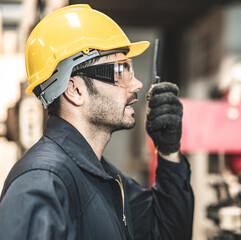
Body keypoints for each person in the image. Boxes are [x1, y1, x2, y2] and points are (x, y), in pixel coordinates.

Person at [0, 4, 194, 240]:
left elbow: (167, 232)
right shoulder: (41, 182)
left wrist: (169, 152)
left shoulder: (103, 178)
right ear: (75, 90)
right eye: (120, 70)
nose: (137, 85)